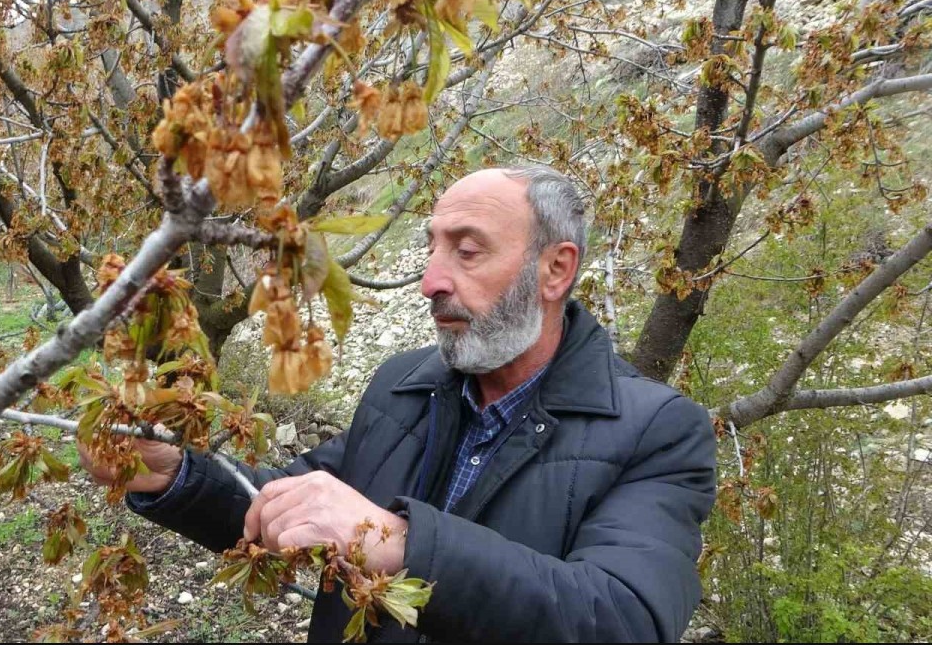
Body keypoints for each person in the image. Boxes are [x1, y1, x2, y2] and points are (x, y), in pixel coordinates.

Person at [79, 166, 717, 643]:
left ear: (555, 270)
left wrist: (403, 543)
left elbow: (622, 617)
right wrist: (176, 476)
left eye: (467, 251)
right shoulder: (404, 383)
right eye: (433, 250)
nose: (431, 281)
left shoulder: (659, 433)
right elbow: (300, 501)